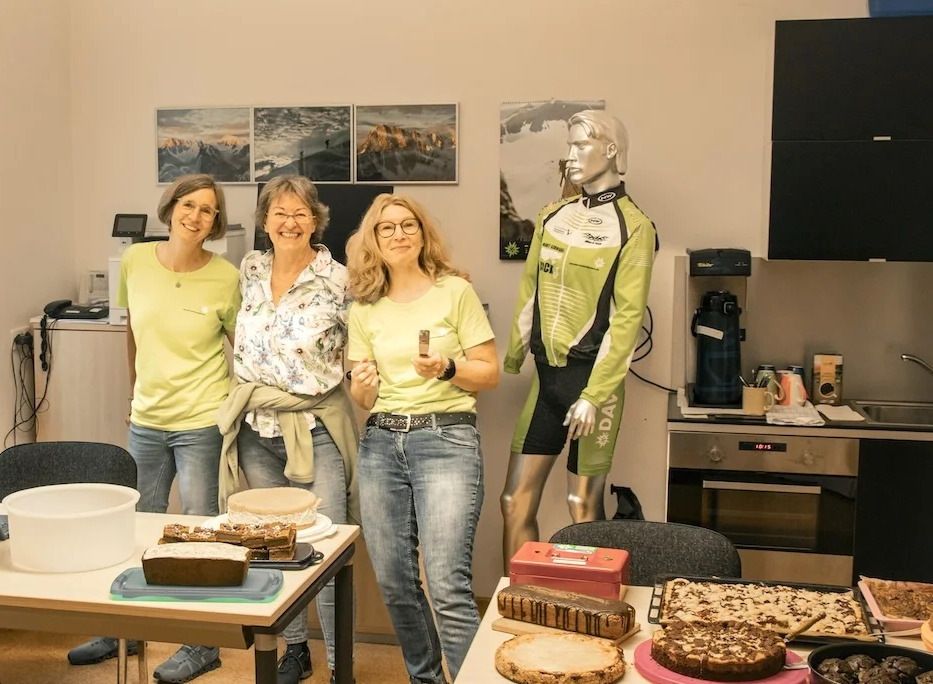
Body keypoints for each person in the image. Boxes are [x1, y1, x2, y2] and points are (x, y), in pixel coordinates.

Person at [67, 173, 241, 684]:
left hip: (202, 421)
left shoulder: (227, 276)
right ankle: (124, 630)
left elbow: (242, 347)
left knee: (202, 535)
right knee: (136, 528)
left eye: (208, 210)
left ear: (216, 221)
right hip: (146, 419)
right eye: (189, 205)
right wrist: (133, 393)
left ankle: (202, 643)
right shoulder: (137, 261)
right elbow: (131, 333)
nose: (196, 216)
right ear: (170, 208)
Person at [345, 194, 499, 684]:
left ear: (422, 232)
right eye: (385, 228)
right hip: (381, 445)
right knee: (394, 582)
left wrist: (448, 368)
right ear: (373, 240)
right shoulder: (363, 308)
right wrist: (362, 389)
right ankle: (425, 678)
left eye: (407, 225)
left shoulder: (455, 292)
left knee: (448, 586)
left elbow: (489, 373)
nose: (397, 234)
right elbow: (361, 394)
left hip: (446, 441)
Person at [500, 109, 658, 570]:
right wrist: (513, 355)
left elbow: (626, 321)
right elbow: (530, 289)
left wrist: (594, 394)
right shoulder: (552, 216)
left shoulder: (634, 228)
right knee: (514, 502)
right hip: (547, 381)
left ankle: (592, 607)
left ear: (610, 152)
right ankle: (520, 600)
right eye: (568, 146)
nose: (569, 156)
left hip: (595, 389)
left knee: (583, 510)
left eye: (580, 146)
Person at [216, 175, 358, 684]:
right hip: (256, 429)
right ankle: (294, 651)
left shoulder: (339, 279)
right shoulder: (249, 269)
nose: (290, 222)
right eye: (279, 213)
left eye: (300, 213)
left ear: (316, 220)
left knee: (328, 549)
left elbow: (364, 339)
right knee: (277, 547)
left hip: (315, 427)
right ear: (264, 222)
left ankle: (343, 665)